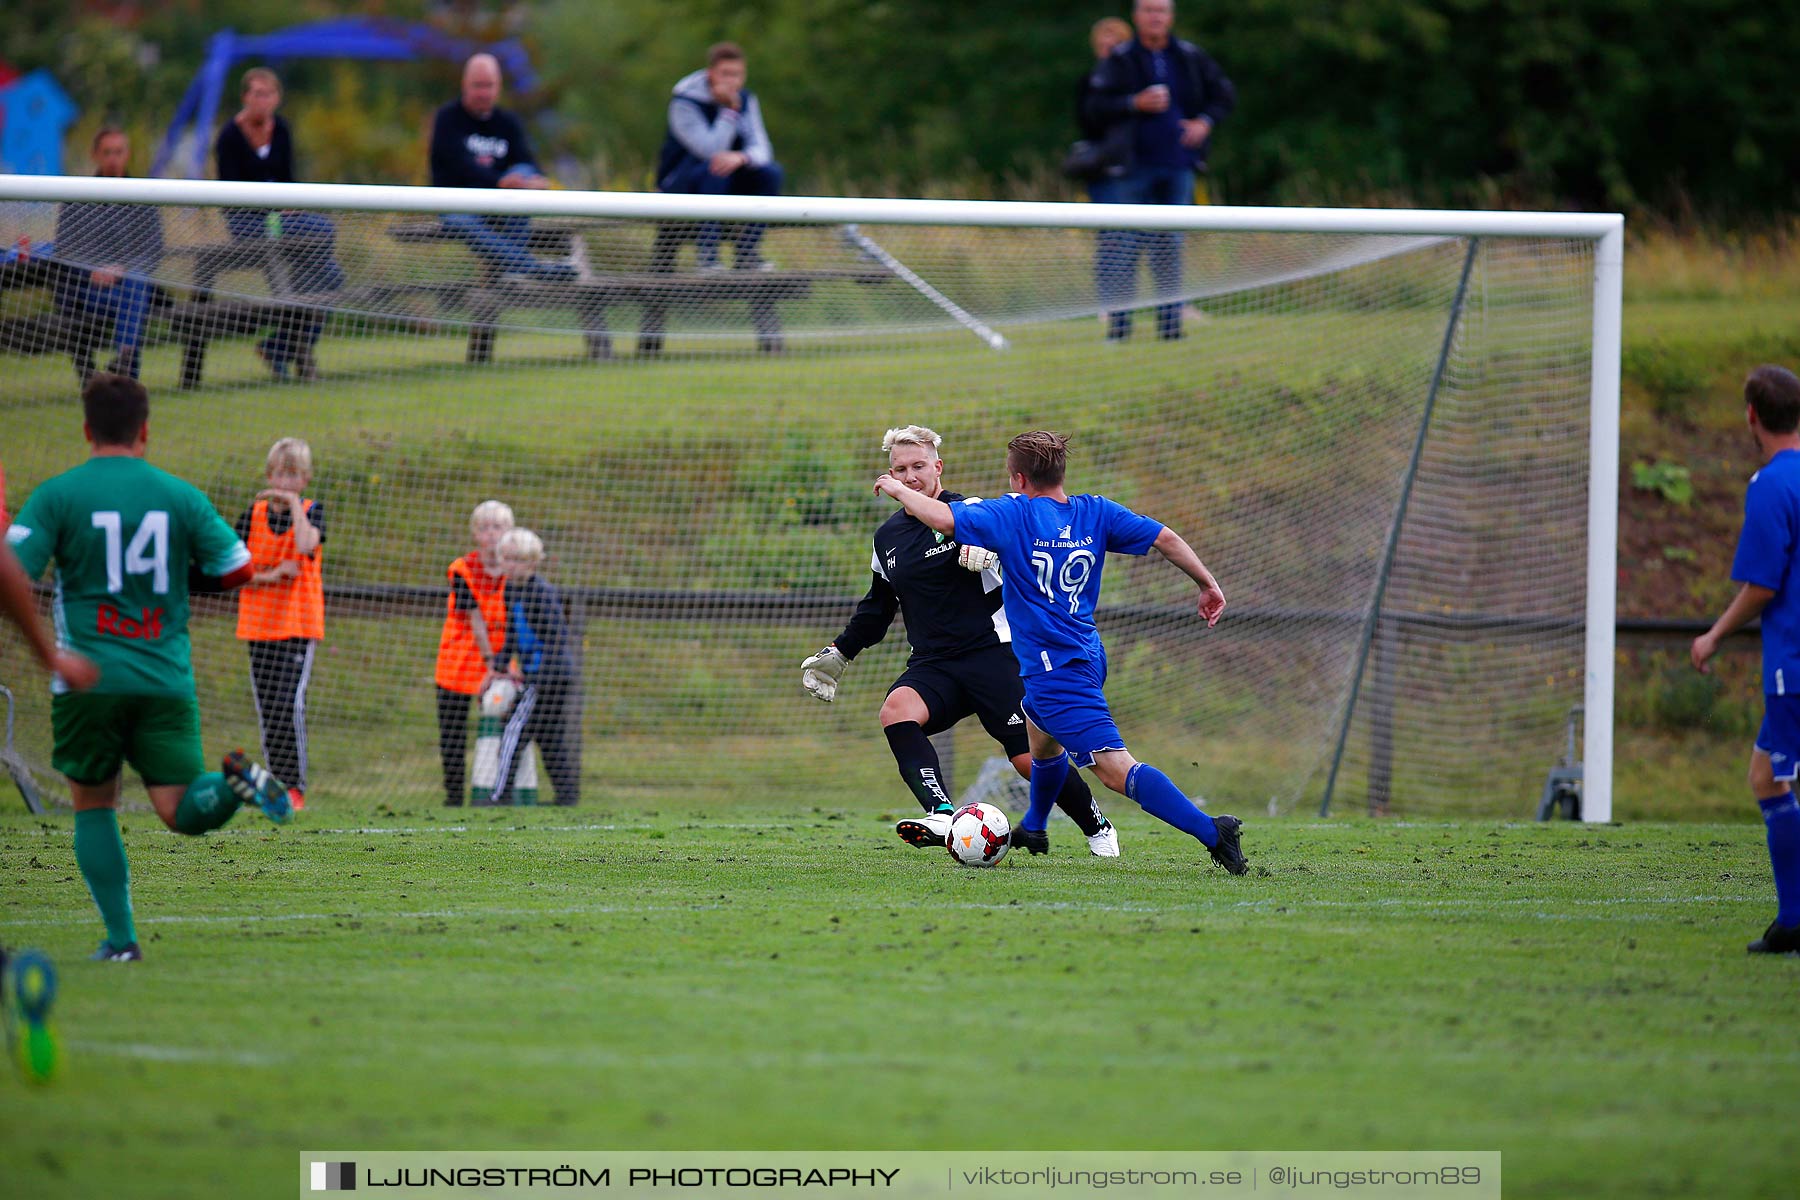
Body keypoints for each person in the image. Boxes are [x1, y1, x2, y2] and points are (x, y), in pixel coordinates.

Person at [4, 374, 293, 962]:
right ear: (146, 431)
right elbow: (238, 568)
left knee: (93, 804)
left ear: (86, 429)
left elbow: (15, 569)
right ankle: (235, 785)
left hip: (88, 677)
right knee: (181, 810)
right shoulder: (179, 495)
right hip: (165, 674)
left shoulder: (59, 495)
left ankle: (121, 940)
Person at [872, 430, 1247, 874]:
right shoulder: (1096, 511)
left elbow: (943, 520)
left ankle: (1212, 831)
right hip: (1084, 651)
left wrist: (896, 487)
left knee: (1113, 770)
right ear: (1060, 472)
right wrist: (1207, 583)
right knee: (1043, 746)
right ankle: (1033, 825)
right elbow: (1165, 537)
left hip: (1056, 669)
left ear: (1017, 478)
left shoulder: (1014, 515)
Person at [803, 426, 1119, 855]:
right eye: (900, 468)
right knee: (896, 711)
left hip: (996, 653)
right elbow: (877, 610)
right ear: (889, 473)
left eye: (918, 466)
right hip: (935, 662)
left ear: (938, 467)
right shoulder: (888, 539)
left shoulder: (969, 511)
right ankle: (941, 813)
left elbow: (1033, 556)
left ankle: (1097, 826)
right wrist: (840, 652)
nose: (910, 475)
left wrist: (998, 557)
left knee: (1029, 760)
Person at [1691, 365, 1800, 956]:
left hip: (1795, 665)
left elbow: (1761, 585)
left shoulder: (1772, 486)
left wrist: (1712, 636)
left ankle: (1795, 919)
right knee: (1766, 773)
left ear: (1752, 416)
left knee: (1771, 777)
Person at [1084, 0, 1235, 342]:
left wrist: (1204, 122)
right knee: (1123, 247)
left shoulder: (1189, 56)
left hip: (1178, 166)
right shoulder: (1120, 59)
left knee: (1169, 249)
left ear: (1171, 16)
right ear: (1136, 16)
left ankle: (1170, 328)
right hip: (1131, 169)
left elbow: (1224, 94)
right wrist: (1132, 104)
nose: (1155, 17)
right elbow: (1092, 107)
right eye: (1148, 10)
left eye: (1161, 10)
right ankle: (1119, 329)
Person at [214, 66, 345, 381]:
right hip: (248, 225)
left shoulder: (282, 130)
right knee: (323, 249)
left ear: (277, 98)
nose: (263, 100)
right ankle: (288, 336)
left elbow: (288, 179)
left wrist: (287, 204)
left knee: (334, 278)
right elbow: (232, 193)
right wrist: (274, 206)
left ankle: (278, 346)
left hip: (285, 222)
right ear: (245, 97)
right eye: (257, 93)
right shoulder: (229, 137)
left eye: (269, 94)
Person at [429, 54, 590, 284]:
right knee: (460, 220)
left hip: (498, 206)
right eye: (478, 85)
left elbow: (528, 162)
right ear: (465, 85)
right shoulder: (447, 118)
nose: (484, 92)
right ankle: (533, 270)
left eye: (489, 85)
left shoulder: (508, 122)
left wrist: (535, 180)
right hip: (458, 203)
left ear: (498, 87)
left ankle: (510, 272)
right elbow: (460, 166)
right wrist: (499, 182)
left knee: (524, 173)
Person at [234, 437, 325, 813]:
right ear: (269, 474)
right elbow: (234, 570)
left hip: (297, 627)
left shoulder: (312, 512)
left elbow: (306, 544)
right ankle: (274, 783)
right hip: (259, 627)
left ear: (304, 479)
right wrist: (271, 577)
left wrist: (292, 507)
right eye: (280, 474)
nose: (285, 482)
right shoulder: (250, 516)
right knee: (268, 708)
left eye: (294, 475)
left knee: (290, 704)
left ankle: (295, 787)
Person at [654, 43, 783, 271]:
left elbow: (763, 149)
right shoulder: (685, 101)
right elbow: (710, 149)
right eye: (726, 74)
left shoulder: (747, 99)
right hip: (681, 185)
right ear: (711, 73)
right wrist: (730, 110)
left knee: (771, 173)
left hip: (726, 181)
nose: (731, 81)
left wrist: (742, 158)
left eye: (737, 74)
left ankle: (747, 253)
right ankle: (708, 257)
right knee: (716, 168)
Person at [51, 128, 163, 380]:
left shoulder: (143, 196)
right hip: (89, 292)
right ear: (95, 155)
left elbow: (153, 249)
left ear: (128, 154)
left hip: (131, 287)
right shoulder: (78, 198)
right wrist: (93, 270)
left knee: (136, 282)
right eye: (107, 152)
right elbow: (65, 249)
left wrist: (122, 270)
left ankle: (123, 360)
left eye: (119, 152)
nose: (113, 158)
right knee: (136, 291)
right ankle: (127, 368)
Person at [490, 529, 581, 807]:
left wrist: (539, 677)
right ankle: (567, 797)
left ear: (532, 563)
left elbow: (558, 637)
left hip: (549, 677)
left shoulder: (541, 593)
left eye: (518, 560)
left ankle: (499, 796)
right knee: (549, 736)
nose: (511, 565)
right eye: (506, 559)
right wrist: (500, 663)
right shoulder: (509, 589)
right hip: (541, 675)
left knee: (513, 729)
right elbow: (513, 634)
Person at [435, 500, 513, 807]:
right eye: (484, 528)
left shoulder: (516, 572)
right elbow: (475, 620)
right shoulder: (462, 568)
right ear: (475, 533)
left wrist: (505, 664)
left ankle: (497, 794)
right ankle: (453, 797)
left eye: (498, 527)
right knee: (452, 735)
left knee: (503, 730)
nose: (491, 534)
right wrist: (494, 663)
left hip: (502, 663)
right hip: (460, 661)